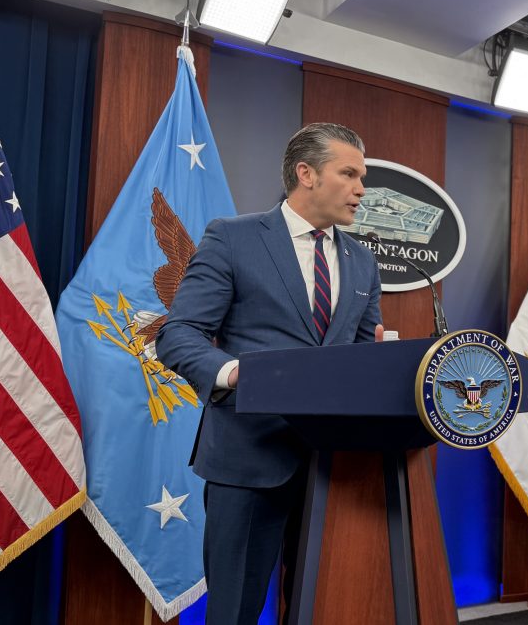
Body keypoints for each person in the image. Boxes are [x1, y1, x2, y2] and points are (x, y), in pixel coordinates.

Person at [157, 123, 383, 624]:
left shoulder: (363, 262)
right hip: (248, 459)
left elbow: (363, 355)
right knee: (235, 610)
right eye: (349, 174)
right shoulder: (233, 238)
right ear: (306, 174)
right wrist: (237, 373)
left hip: (334, 470)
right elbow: (178, 336)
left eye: (361, 176)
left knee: (324, 606)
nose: (361, 188)